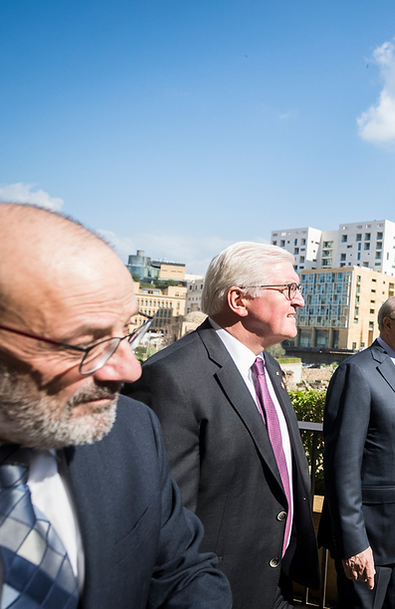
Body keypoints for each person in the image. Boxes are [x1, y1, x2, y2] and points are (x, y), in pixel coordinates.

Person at [0, 203, 232, 608]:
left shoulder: (131, 431)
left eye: (127, 331)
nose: (130, 371)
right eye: (86, 344)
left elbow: (182, 574)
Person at [125, 241, 319, 608]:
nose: (299, 301)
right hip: (218, 593)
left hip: (277, 585)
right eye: (288, 290)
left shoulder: (269, 369)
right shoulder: (171, 378)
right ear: (239, 300)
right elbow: (169, 520)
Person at [320, 294, 395, 609]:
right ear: (388, 325)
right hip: (371, 541)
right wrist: (354, 544)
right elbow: (341, 466)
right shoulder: (357, 372)